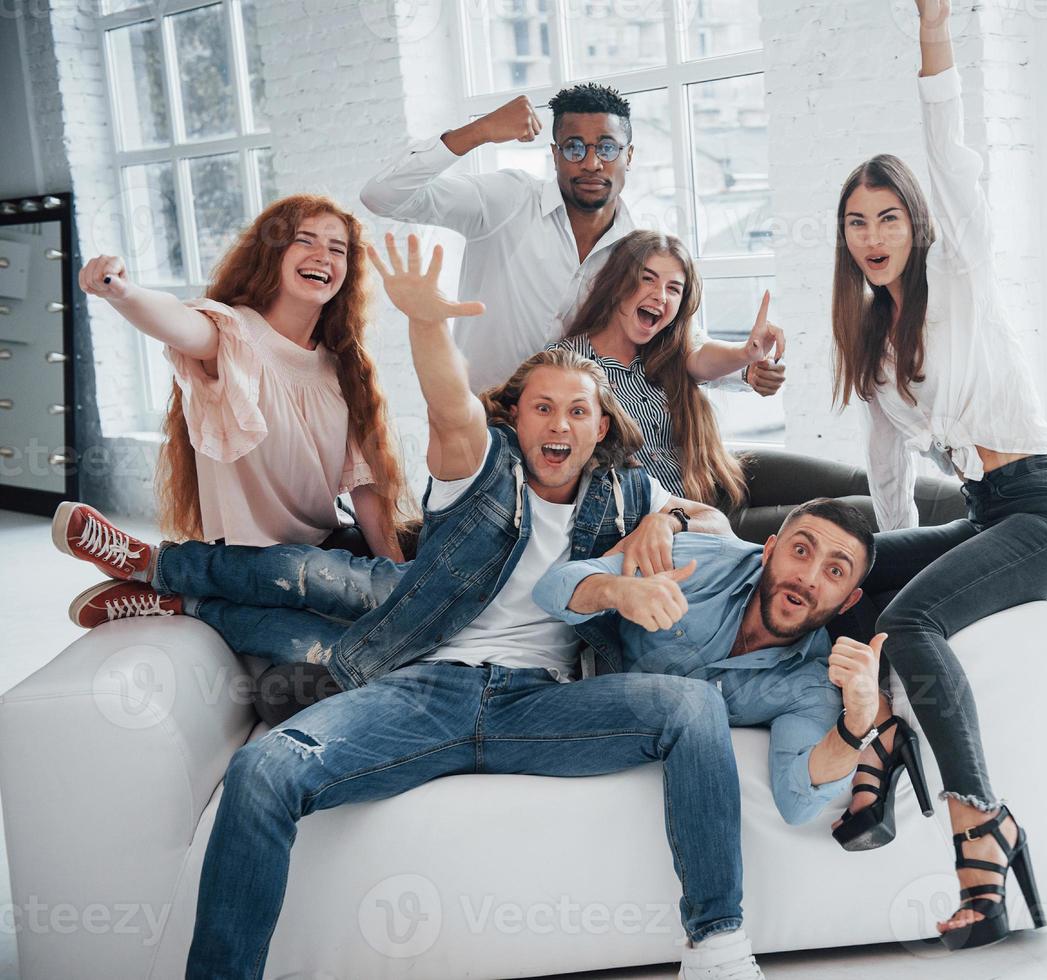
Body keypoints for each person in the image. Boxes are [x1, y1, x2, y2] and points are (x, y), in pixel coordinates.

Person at [54, 236, 768, 979]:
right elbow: (451, 408)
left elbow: (714, 523)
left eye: (577, 412)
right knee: (264, 769)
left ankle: (716, 948)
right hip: (427, 691)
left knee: (692, 710)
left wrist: (668, 518)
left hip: (544, 705)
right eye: (543, 409)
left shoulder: (627, 492)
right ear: (515, 419)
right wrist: (427, 327)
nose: (558, 426)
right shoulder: (480, 469)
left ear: (599, 427)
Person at [825, 0, 1047, 950]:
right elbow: (887, 476)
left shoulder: (963, 275)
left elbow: (951, 144)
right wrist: (878, 566)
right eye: (857, 222)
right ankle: (890, 739)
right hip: (990, 515)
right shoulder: (872, 344)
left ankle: (979, 825)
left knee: (912, 617)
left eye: (888, 215)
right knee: (863, 576)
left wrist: (932, 34)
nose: (873, 234)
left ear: (917, 220)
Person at [359, 83, 785, 396]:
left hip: (569, 440)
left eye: (608, 148)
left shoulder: (635, 249)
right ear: (555, 154)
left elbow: (675, 342)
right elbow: (382, 196)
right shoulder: (506, 199)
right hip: (480, 424)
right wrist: (480, 131)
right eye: (574, 148)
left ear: (629, 156)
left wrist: (745, 368)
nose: (592, 163)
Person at [74, 194, 410, 561]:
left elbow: (365, 488)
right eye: (305, 240)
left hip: (328, 543)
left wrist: (395, 576)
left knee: (432, 539)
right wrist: (123, 292)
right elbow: (179, 323)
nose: (323, 256)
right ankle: (162, 567)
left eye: (337, 249)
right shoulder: (233, 334)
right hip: (256, 557)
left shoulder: (342, 366)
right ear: (271, 253)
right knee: (298, 576)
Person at [534, 498, 901, 827]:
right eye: (801, 551)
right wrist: (618, 591)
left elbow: (797, 802)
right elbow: (552, 588)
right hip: (575, 692)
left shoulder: (811, 682)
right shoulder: (699, 563)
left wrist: (857, 724)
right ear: (769, 550)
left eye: (834, 571)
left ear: (848, 602)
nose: (808, 577)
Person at [550, 229, 775, 514]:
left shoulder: (670, 351)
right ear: (617, 284)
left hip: (714, 497)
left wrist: (747, 353)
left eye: (674, 288)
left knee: (847, 495)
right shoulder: (566, 364)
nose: (660, 296)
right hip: (666, 527)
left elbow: (704, 358)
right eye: (647, 279)